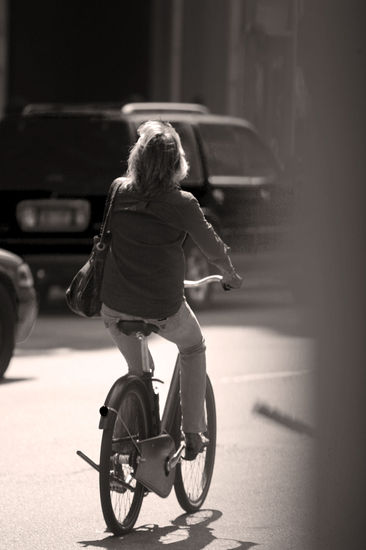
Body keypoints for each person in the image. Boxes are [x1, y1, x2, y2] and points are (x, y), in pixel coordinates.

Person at [100, 120, 242, 460]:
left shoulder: (118, 189)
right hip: (162, 306)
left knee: (138, 373)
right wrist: (230, 274)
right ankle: (193, 433)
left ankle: (121, 449)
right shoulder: (182, 203)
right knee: (193, 348)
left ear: (137, 158)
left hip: (113, 306)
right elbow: (213, 248)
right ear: (175, 163)